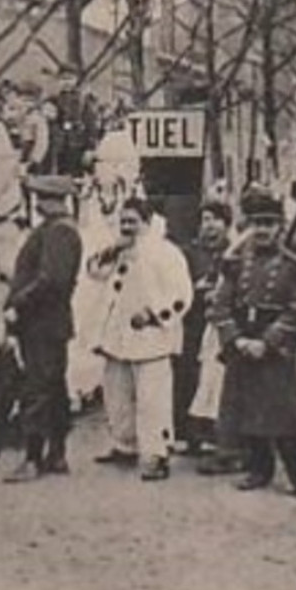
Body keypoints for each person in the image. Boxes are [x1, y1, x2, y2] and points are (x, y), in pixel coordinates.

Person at [211, 188, 296, 496]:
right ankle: (259, 469)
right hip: (243, 342)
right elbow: (220, 305)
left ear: (281, 227)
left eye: (269, 224)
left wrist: (267, 343)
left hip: (278, 350)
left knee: (285, 418)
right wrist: (236, 339)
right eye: (257, 224)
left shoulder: (294, 265)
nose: (262, 231)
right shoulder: (235, 263)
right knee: (248, 413)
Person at [86, 197, 194, 481]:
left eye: (133, 221)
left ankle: (156, 454)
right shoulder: (120, 251)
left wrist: (155, 314)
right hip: (117, 338)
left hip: (151, 337)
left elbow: (183, 294)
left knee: (152, 400)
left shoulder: (166, 252)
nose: (127, 227)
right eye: (123, 222)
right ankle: (125, 445)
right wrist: (112, 249)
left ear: (147, 222)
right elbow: (94, 273)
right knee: (117, 397)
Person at [1, 176, 85, 482]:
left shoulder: (59, 231)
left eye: (42, 198)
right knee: (52, 387)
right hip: (47, 324)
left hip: (43, 324)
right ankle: (56, 454)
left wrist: (18, 303)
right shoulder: (57, 230)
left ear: (55, 200)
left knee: (37, 389)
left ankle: (34, 458)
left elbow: (51, 281)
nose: (38, 204)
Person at [177, 199, 234, 456]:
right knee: (190, 375)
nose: (209, 226)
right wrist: (196, 289)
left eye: (215, 219)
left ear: (226, 223)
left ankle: (218, 434)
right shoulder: (190, 254)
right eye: (205, 220)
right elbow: (179, 285)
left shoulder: (233, 252)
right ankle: (191, 434)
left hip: (220, 324)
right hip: (194, 322)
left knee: (218, 378)